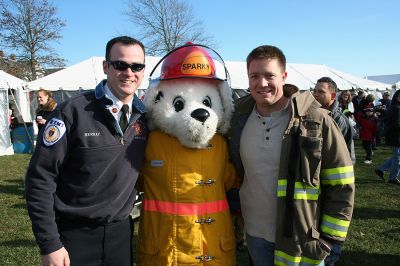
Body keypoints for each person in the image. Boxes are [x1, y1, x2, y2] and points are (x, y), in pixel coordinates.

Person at [25, 36, 148, 266]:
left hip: (121, 234)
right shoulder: (72, 112)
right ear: (106, 67)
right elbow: (40, 179)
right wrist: (50, 243)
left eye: (137, 66)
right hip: (74, 236)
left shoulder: (145, 117)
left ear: (143, 70)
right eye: (120, 64)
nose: (129, 72)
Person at [227, 45, 355, 266]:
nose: (262, 83)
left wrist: (329, 239)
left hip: (302, 240)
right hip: (255, 235)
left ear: (284, 76)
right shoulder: (237, 118)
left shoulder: (315, 119)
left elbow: (341, 183)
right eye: (254, 76)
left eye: (270, 75)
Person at [312, 77, 355, 265]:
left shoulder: (338, 120)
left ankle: (331, 252)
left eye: (321, 91)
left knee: (331, 222)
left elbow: (341, 158)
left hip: (333, 180)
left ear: (332, 95)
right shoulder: (315, 114)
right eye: (315, 90)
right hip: (318, 181)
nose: (315, 94)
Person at [375, 89, 400, 185]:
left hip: (395, 136)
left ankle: (380, 169)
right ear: (397, 97)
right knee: (398, 159)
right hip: (395, 136)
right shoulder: (396, 108)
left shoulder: (396, 107)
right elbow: (396, 124)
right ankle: (392, 178)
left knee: (396, 157)